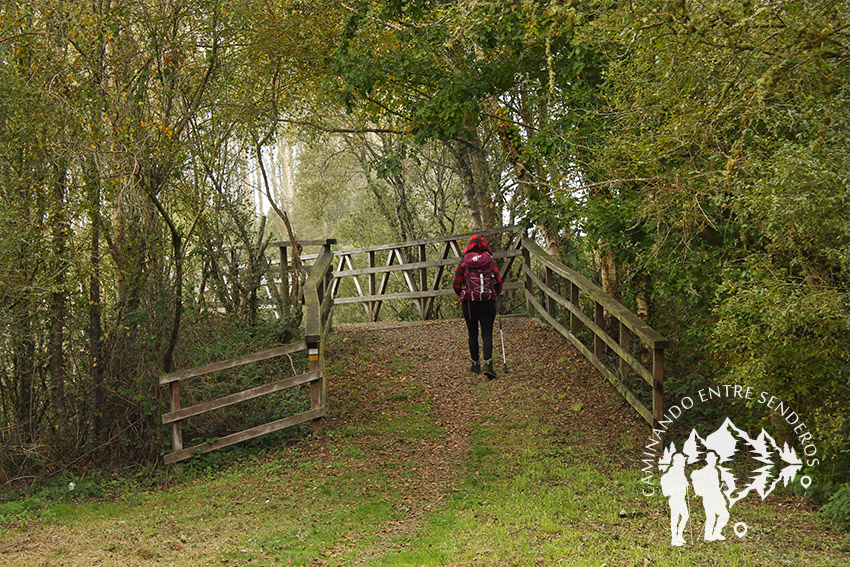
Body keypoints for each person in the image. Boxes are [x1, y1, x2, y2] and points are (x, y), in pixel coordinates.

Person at [452, 234, 503, 378]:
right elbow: (498, 282)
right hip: (488, 302)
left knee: (472, 333)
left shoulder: (463, 262)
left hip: (470, 303)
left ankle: (475, 364)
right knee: (487, 333)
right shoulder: (490, 261)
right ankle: (488, 363)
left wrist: (462, 293)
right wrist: (495, 293)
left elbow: (456, 284)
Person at [690, 451, 730, 541]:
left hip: (715, 496)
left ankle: (715, 533)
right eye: (711, 459)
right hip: (709, 497)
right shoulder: (705, 471)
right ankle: (709, 536)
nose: (713, 460)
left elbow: (714, 485)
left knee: (723, 515)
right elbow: (696, 477)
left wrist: (721, 486)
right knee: (712, 516)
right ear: (707, 460)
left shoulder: (715, 471)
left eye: (714, 458)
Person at [660, 452, 690, 546]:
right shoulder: (674, 471)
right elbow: (675, 482)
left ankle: (679, 536)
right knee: (676, 518)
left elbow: (683, 481)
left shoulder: (680, 471)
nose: (684, 463)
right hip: (675, 498)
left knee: (684, 516)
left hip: (680, 498)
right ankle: (674, 539)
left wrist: (686, 484)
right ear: (677, 461)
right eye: (682, 461)